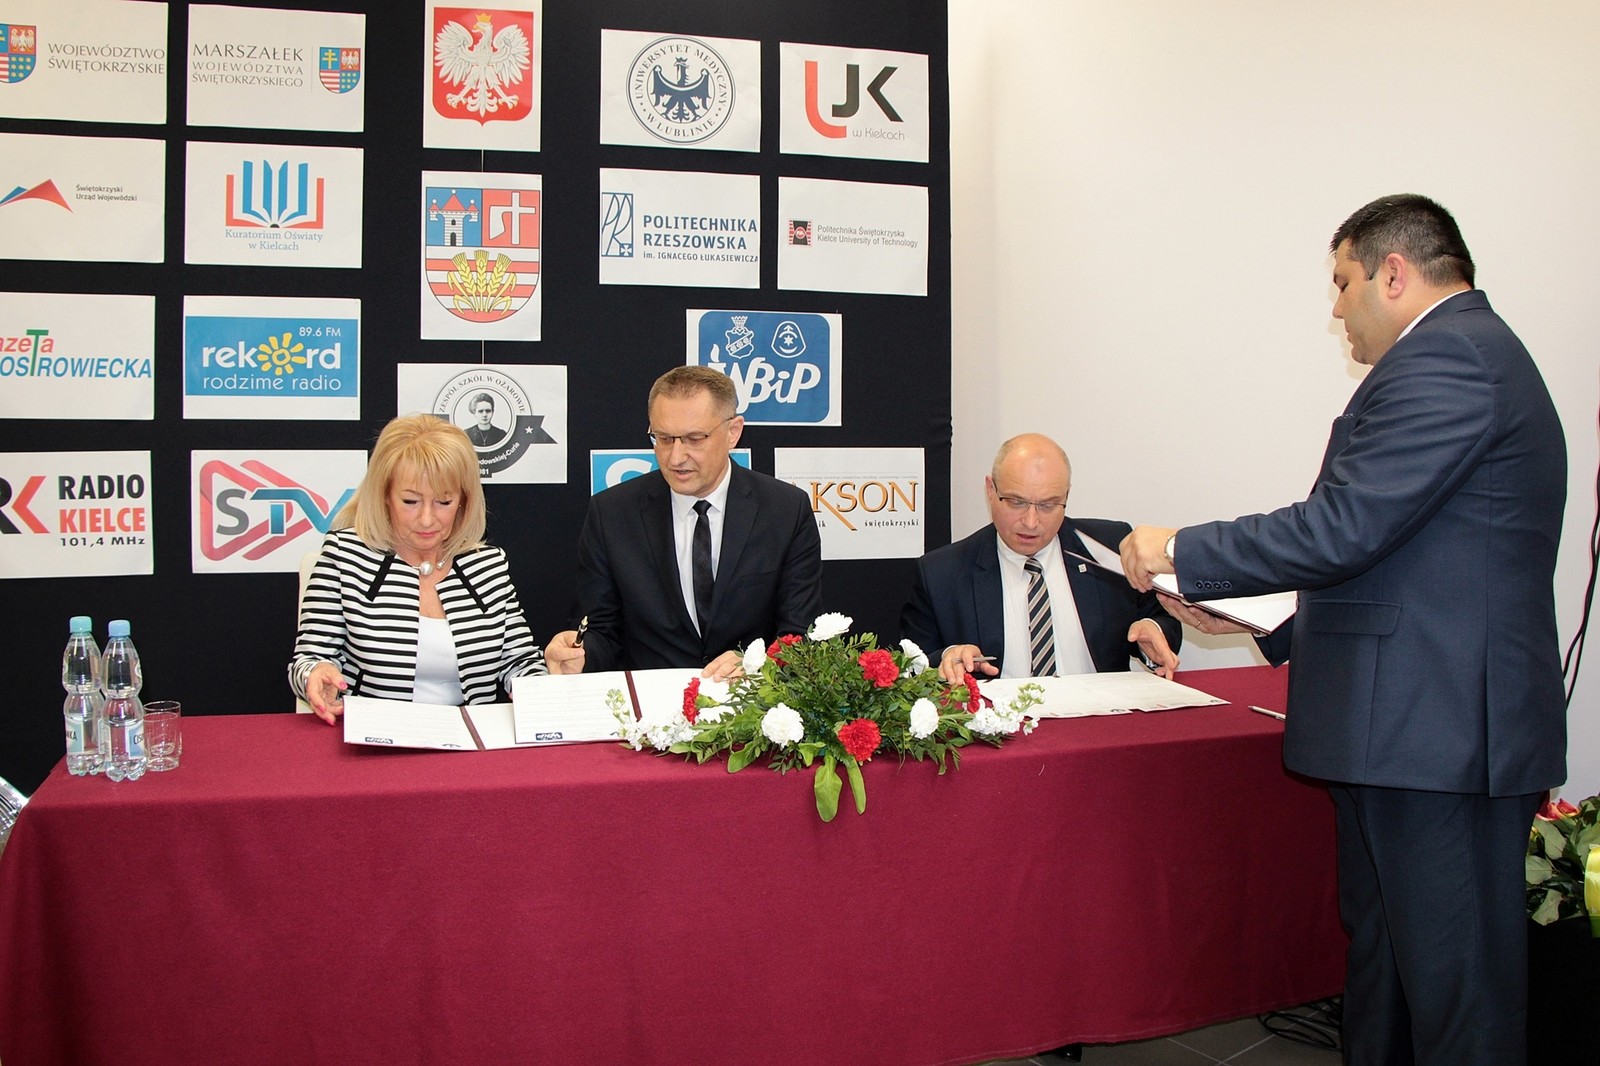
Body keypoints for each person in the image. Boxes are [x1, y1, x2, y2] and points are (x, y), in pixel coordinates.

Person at [1119, 194, 1566, 1066]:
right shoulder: (1453, 358)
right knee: (1391, 978)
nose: (1336, 306)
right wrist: (1250, 611)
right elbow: (1394, 558)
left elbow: (1344, 527)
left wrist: (1181, 547)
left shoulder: (1452, 359)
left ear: (1393, 273)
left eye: (1343, 281)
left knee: (1457, 1001)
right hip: (1412, 736)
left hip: (1438, 741)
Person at [290, 414, 575, 724]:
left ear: (464, 501)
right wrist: (315, 674)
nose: (427, 519)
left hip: (469, 738)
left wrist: (546, 681)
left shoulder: (488, 565)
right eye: (410, 501)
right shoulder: (345, 556)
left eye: (443, 502)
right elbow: (307, 660)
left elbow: (519, 663)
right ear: (385, 496)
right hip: (373, 736)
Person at [544, 366, 823, 679]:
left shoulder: (785, 510)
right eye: (663, 438)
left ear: (733, 432)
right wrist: (579, 655)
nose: (675, 457)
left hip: (750, 702)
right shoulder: (611, 513)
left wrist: (756, 664)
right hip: (649, 704)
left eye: (694, 439)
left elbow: (800, 634)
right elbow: (600, 630)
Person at [901, 433, 1180, 685]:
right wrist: (948, 657)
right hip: (1003, 721)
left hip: (1101, 716)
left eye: (1048, 505)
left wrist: (1151, 630)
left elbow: (1161, 615)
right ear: (990, 490)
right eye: (1016, 502)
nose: (1031, 522)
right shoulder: (941, 573)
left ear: (1066, 496)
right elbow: (912, 664)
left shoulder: (1110, 547)